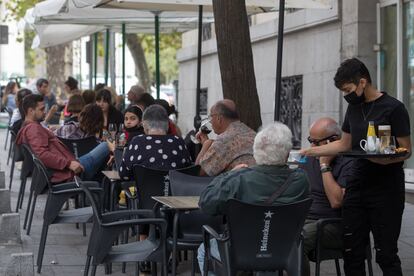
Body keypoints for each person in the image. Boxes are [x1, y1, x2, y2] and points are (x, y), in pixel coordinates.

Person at [301, 58, 411, 276]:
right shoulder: (353, 109)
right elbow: (344, 144)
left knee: (386, 253)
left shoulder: (393, 108)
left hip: (386, 187)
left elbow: (406, 149)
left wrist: (385, 159)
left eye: (348, 89)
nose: (346, 95)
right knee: (352, 251)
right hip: (358, 185)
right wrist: (311, 151)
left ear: (362, 82)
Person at [197, 122, 310, 274]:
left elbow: (206, 204)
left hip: (241, 252)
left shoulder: (238, 179)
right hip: (284, 250)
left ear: (255, 151)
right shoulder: (301, 180)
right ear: (287, 152)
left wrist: (229, 174)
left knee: (204, 249)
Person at [16, 94, 114, 182]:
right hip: (72, 170)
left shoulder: (30, 127)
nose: (45, 112)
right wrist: (68, 164)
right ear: (30, 111)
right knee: (106, 146)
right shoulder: (33, 129)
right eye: (41, 109)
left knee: (107, 148)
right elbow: (42, 154)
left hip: (70, 167)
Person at [300, 118, 353, 276]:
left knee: (296, 241)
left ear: (334, 140)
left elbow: (337, 202)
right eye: (310, 141)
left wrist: (325, 166)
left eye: (316, 142)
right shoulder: (308, 159)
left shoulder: (349, 162)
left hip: (334, 225)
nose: (312, 147)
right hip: (305, 219)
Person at [118, 104, 192, 181]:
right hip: (174, 191)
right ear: (167, 124)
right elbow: (188, 171)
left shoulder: (137, 141)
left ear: (145, 124)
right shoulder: (178, 141)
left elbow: (123, 174)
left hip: (145, 192)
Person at [195, 99, 256, 176]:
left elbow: (199, 173)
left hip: (238, 185)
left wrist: (206, 145)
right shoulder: (251, 132)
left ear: (219, 119)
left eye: (210, 117)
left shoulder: (224, 140)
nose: (210, 121)